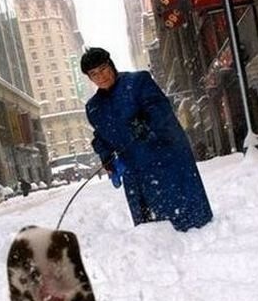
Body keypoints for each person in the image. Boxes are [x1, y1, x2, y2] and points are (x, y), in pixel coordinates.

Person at [81, 47, 213, 232]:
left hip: (165, 159)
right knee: (152, 231)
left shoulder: (138, 82)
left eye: (103, 69)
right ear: (90, 78)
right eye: (94, 74)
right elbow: (101, 137)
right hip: (134, 172)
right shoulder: (94, 107)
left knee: (188, 223)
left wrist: (146, 124)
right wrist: (107, 158)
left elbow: (161, 110)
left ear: (111, 65)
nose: (100, 76)